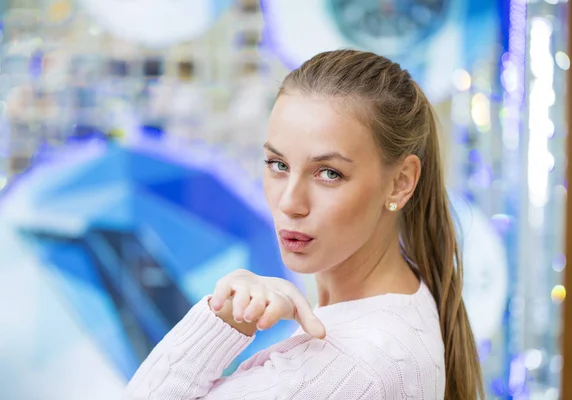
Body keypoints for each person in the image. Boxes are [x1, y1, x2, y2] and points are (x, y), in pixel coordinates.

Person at [123, 50, 484, 400]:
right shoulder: (402, 303)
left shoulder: (349, 368)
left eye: (329, 173)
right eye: (278, 165)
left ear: (401, 181)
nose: (289, 202)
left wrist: (225, 320)